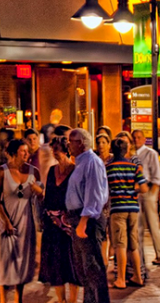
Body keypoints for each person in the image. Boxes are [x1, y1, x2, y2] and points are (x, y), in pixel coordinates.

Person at [0, 139, 41, 302]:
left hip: (25, 221)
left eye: (27, 151)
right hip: (6, 221)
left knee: (22, 260)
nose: (27, 154)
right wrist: (5, 220)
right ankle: (2, 299)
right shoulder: (1, 171)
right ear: (13, 153)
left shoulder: (34, 172)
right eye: (23, 151)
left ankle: (18, 298)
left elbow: (42, 196)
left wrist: (38, 190)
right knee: (4, 260)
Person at [65, 128, 110, 303]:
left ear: (81, 143)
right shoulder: (81, 162)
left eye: (71, 140)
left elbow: (94, 194)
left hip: (88, 220)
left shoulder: (92, 162)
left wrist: (83, 221)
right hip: (79, 217)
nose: (69, 144)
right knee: (84, 267)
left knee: (93, 267)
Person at [39, 137, 80, 303]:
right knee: (55, 263)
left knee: (71, 263)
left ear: (65, 150)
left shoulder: (75, 170)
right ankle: (61, 299)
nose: (54, 153)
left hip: (69, 225)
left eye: (57, 149)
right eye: (53, 149)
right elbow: (48, 196)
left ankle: (72, 300)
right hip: (52, 225)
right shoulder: (51, 171)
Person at [106, 138, 148, 289]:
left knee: (120, 245)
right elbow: (144, 189)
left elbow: (105, 191)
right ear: (126, 150)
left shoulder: (108, 168)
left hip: (118, 209)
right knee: (133, 245)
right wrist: (131, 191)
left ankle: (121, 279)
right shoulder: (134, 167)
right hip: (133, 209)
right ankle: (138, 276)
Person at [133, 129, 160, 266]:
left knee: (153, 224)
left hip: (148, 190)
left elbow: (157, 176)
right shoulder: (132, 155)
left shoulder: (150, 153)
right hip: (136, 191)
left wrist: (152, 193)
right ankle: (139, 255)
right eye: (134, 137)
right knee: (138, 225)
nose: (136, 140)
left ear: (143, 139)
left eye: (138, 137)